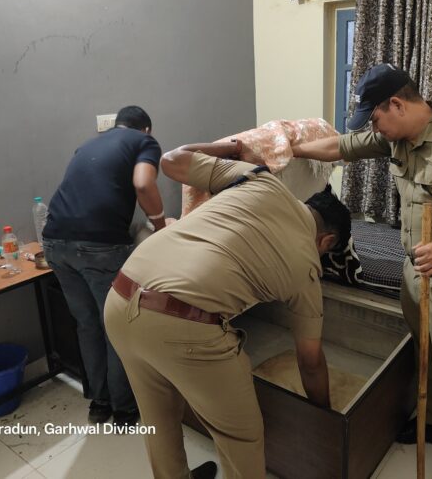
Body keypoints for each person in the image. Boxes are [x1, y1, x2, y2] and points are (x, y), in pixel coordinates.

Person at [292, 63, 432, 479]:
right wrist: (288, 150)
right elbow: (340, 147)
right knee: (425, 358)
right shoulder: (395, 138)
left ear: (396, 104)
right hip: (413, 272)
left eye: (375, 118)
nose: (374, 128)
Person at [104, 140, 352, 479]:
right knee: (242, 437)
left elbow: (172, 161)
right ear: (326, 241)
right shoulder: (308, 270)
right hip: (179, 324)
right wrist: (324, 418)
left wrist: (234, 146)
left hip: (120, 296)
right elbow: (310, 362)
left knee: (159, 419)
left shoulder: (260, 179)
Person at [43, 105, 166, 426]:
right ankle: (124, 409)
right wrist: (161, 225)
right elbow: (143, 184)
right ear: (146, 129)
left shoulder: (87, 145)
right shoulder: (144, 142)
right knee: (116, 325)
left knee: (88, 325)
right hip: (99, 248)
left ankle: (100, 404)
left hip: (54, 242)